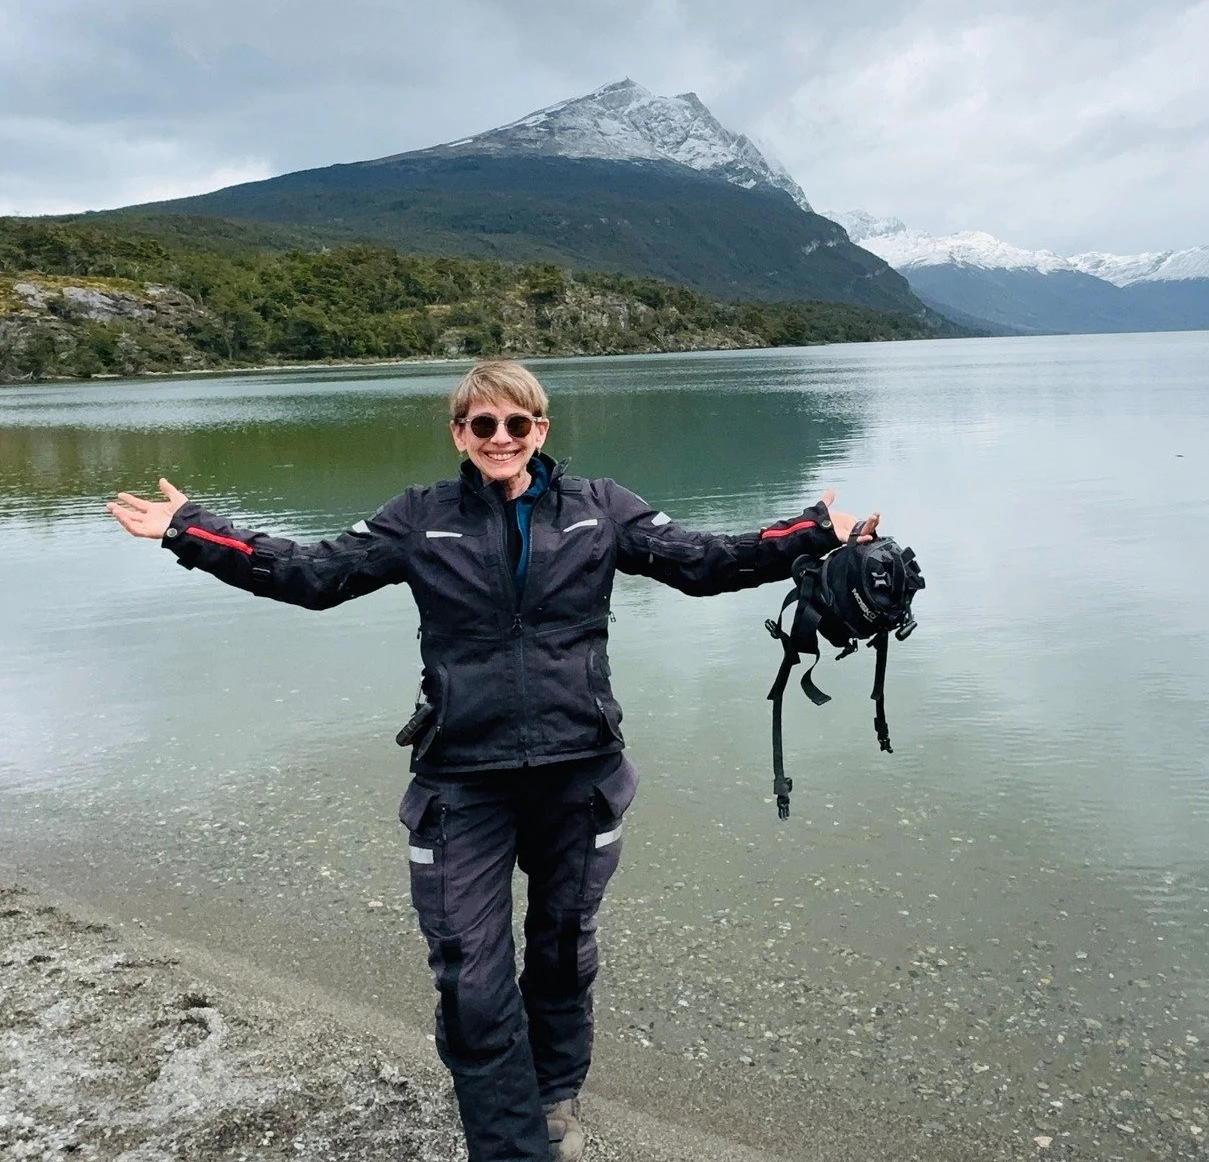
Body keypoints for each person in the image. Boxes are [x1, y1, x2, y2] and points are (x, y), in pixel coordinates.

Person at [107, 358, 877, 1162]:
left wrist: (817, 535)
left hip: (579, 771)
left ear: (541, 430)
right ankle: (510, 1146)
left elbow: (704, 560)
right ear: (460, 434)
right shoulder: (419, 518)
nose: (500, 437)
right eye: (483, 424)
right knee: (469, 976)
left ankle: (551, 1097)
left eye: (516, 423)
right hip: (462, 780)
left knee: (561, 953)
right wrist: (191, 531)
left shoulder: (600, 508)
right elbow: (312, 574)